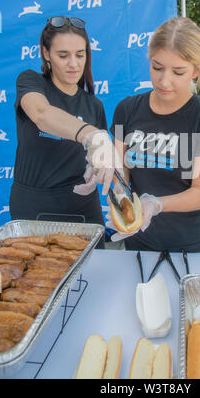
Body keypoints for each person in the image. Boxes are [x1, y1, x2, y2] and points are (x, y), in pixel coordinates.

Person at [107, 17, 200, 252]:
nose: (164, 81)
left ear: (196, 70)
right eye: (157, 67)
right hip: (138, 243)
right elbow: (120, 173)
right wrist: (121, 195)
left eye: (178, 71)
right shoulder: (127, 109)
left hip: (190, 247)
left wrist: (156, 204)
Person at [9, 15, 119, 248]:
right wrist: (90, 134)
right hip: (33, 207)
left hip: (82, 209)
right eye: (63, 55)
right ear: (46, 54)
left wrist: (96, 167)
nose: (73, 64)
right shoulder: (31, 82)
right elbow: (41, 114)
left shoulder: (94, 105)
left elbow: (99, 159)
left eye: (80, 55)